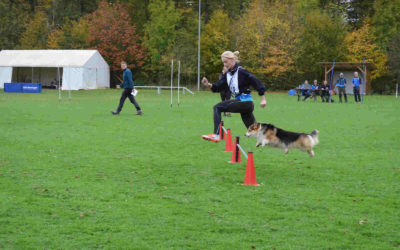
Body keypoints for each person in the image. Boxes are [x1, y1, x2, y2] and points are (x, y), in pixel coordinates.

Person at [201, 51, 266, 141]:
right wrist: (208, 84)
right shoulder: (228, 74)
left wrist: (263, 98)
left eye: (226, 62)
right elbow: (219, 86)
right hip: (244, 105)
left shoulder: (242, 71)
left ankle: (216, 135)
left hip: (245, 102)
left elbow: (256, 81)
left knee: (217, 107)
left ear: (232, 60)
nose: (224, 64)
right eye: (223, 62)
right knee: (256, 132)